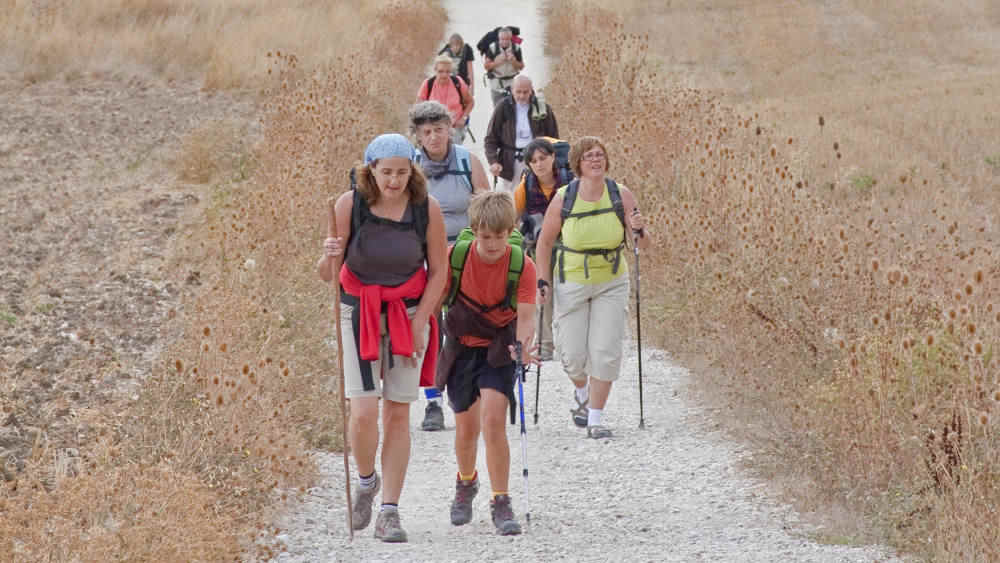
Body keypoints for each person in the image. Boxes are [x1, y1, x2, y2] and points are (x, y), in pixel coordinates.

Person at [318, 133, 448, 542]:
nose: (394, 180)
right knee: (362, 412)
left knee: (397, 412)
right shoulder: (348, 205)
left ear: (413, 170)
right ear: (370, 170)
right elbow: (327, 276)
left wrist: (421, 321)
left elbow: (439, 272)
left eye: (402, 172)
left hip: (408, 310)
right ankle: (367, 480)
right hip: (357, 310)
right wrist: (328, 253)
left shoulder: (426, 209)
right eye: (386, 172)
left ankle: (389, 511)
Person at [434, 191, 537, 536]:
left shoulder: (521, 264)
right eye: (485, 236)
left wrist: (521, 347)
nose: (492, 244)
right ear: (474, 231)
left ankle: (501, 499)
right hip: (461, 346)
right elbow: (436, 302)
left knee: (493, 421)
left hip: (499, 347)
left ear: (510, 232)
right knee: (466, 429)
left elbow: (525, 315)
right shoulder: (455, 258)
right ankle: (466, 482)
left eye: (499, 236)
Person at [534, 136, 650, 439]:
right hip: (571, 281)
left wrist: (639, 229)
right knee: (571, 355)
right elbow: (545, 242)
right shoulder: (564, 198)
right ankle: (582, 393)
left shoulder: (620, 194)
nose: (596, 160)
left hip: (611, 281)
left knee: (605, 351)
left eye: (600, 155)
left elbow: (643, 245)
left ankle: (595, 418)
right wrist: (541, 280)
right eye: (589, 156)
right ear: (577, 164)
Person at [409, 100, 490, 431]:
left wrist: (470, 244)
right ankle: (432, 400)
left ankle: (470, 392)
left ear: (450, 130)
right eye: (426, 132)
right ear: (417, 135)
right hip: (423, 254)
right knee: (430, 326)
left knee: (467, 324)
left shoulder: (468, 162)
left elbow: (488, 207)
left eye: (439, 130)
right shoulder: (409, 167)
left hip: (465, 252)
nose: (433, 137)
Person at [513, 137, 571, 361]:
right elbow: (514, 219)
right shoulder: (524, 187)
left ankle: (569, 343)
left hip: (568, 247)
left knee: (568, 295)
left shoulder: (570, 182)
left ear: (553, 157)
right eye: (534, 160)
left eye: (543, 158)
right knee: (542, 293)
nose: (539, 164)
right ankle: (546, 344)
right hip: (537, 248)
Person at [484, 75, 558, 193]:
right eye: (518, 92)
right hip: (510, 161)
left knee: (538, 194)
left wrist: (554, 162)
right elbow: (491, 138)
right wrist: (493, 161)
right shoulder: (503, 107)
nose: (522, 96)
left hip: (537, 160)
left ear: (531, 90)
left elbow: (554, 138)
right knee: (513, 198)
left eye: (525, 92)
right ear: (512, 90)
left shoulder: (543, 108)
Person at [417, 54, 474, 145]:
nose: (444, 75)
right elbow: (419, 108)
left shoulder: (458, 82)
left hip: (454, 129)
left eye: (448, 72)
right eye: (440, 71)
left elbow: (470, 102)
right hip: (433, 130)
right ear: (435, 70)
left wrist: (463, 118)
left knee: (454, 155)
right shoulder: (428, 84)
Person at [482, 27, 524, 107]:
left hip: (512, 84)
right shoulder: (492, 48)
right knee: (498, 110)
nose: (504, 41)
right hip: (496, 85)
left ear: (510, 38)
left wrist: (514, 61)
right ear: (499, 38)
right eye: (502, 39)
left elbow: (521, 66)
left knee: (513, 110)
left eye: (507, 39)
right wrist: (497, 62)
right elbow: (486, 66)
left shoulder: (516, 48)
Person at [438, 33, 475, 98]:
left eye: (457, 45)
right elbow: (439, 68)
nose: (455, 48)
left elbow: (470, 71)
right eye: (453, 46)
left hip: (463, 82)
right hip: (449, 82)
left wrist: (471, 88)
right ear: (450, 46)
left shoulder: (466, 51)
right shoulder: (446, 52)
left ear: (461, 45)